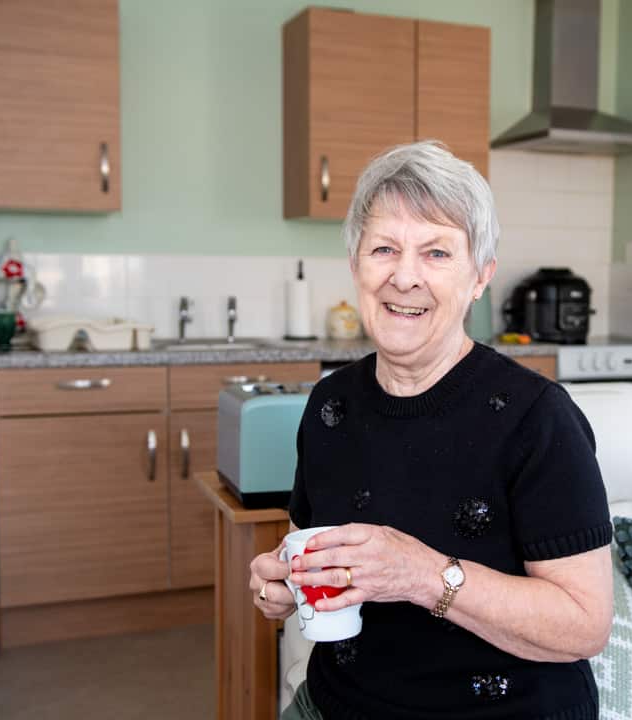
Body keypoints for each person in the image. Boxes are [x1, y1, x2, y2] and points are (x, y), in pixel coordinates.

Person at [249, 141, 613, 720]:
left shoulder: (537, 417)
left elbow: (584, 624)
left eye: (437, 253)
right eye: (384, 248)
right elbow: (307, 547)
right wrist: (283, 586)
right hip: (336, 705)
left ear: (479, 278)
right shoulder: (329, 405)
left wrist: (422, 575)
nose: (405, 277)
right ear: (356, 266)